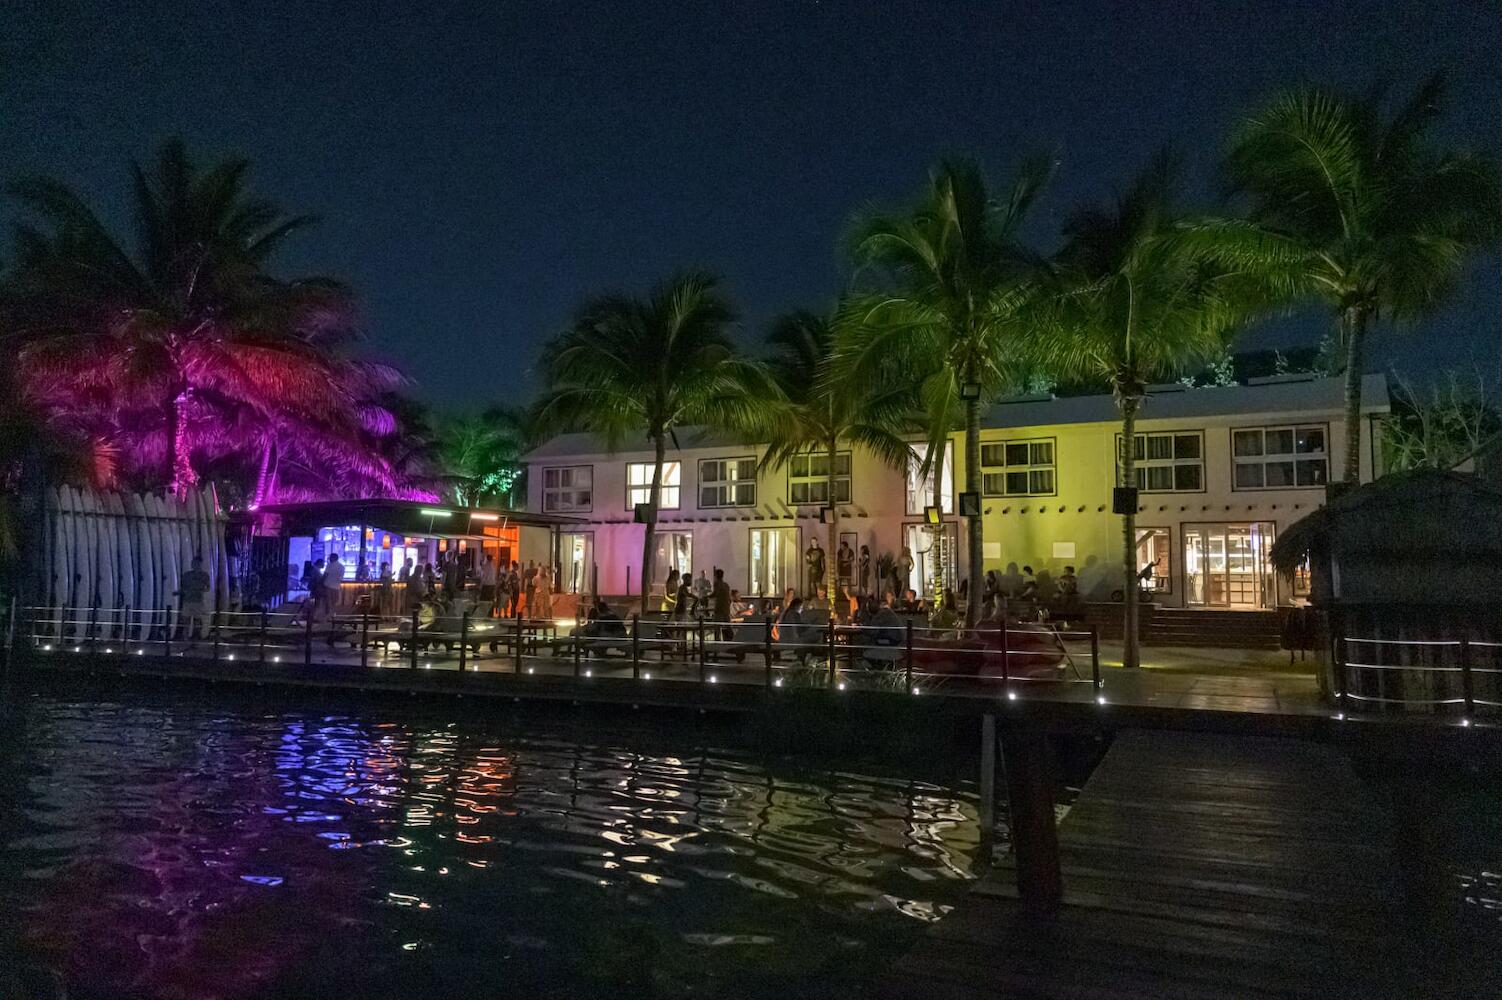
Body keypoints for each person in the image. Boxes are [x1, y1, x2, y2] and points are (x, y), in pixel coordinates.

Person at [176, 556, 212, 640]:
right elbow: (183, 587)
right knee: (186, 621)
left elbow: (208, 587)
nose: (194, 565)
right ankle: (186, 639)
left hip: (197, 601)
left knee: (197, 621)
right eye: (193, 563)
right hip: (187, 601)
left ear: (200, 564)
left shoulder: (204, 575)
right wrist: (179, 592)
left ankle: (196, 638)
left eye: (196, 563)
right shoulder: (186, 575)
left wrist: (201, 589)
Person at [320, 553, 345, 619]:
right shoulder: (342, 566)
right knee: (334, 602)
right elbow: (340, 578)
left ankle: (326, 617)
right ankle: (333, 616)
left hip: (328, 586)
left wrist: (320, 582)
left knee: (328, 602)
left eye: (330, 557)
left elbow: (325, 575)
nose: (329, 559)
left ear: (333, 558)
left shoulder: (329, 566)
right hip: (336, 587)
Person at [711, 568, 732, 642]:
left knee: (717, 626)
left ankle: (717, 642)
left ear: (716, 576)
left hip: (719, 608)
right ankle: (730, 641)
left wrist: (706, 597)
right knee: (727, 625)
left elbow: (715, 594)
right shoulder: (726, 585)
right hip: (726, 608)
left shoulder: (717, 584)